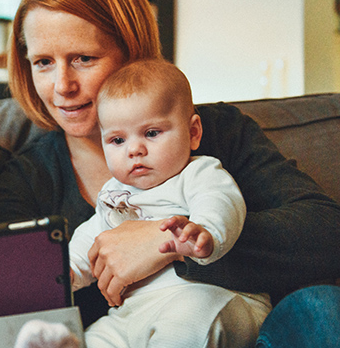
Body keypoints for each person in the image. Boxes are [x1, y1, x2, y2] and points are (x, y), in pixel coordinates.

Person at [0, 0, 340, 345]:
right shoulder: (25, 181)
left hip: (227, 325)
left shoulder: (217, 133)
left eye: (83, 58)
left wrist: (167, 243)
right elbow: (17, 303)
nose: (62, 85)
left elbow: (326, 233)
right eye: (43, 63)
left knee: (321, 307)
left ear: (130, 49)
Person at [66, 58, 270, 347]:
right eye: (117, 140)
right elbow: (92, 237)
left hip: (212, 298)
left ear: (193, 132)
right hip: (134, 312)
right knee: (97, 337)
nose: (134, 149)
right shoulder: (114, 193)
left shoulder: (198, 173)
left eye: (151, 133)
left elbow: (221, 202)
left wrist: (205, 232)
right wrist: (66, 272)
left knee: (185, 324)